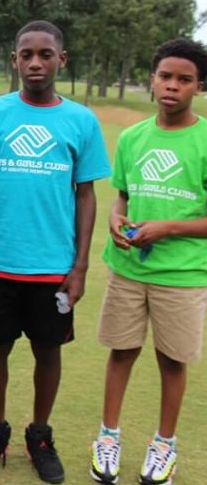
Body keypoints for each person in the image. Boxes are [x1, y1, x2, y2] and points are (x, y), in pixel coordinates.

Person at [0, 20, 111, 483]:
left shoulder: (81, 121)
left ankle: (40, 435)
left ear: (61, 60)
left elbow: (85, 195)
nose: (35, 62)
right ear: (14, 60)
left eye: (45, 54)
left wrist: (80, 265)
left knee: (49, 350)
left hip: (52, 266)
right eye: (26, 54)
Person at [89, 38, 207, 485]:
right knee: (122, 352)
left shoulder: (205, 138)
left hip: (183, 274)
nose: (172, 86)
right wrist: (116, 221)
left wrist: (169, 227)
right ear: (152, 79)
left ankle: (164, 446)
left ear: (199, 86)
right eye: (165, 76)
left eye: (184, 79)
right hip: (128, 270)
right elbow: (122, 196)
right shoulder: (134, 137)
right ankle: (108, 437)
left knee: (172, 360)